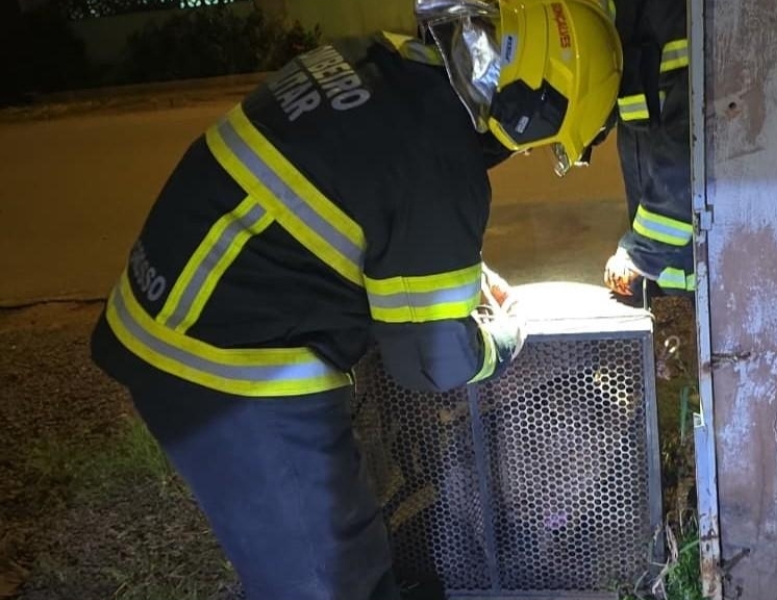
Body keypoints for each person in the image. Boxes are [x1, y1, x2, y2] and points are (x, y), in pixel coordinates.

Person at [88, 1, 622, 599]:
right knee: (330, 577)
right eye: (542, 144)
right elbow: (431, 362)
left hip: (169, 305)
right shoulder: (441, 156)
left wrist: (458, 274)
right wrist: (507, 334)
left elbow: (370, 200)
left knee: (311, 554)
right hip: (229, 365)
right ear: (537, 109)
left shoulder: (380, 60)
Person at [600, 0, 694, 307]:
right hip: (677, 283)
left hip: (710, 285)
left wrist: (643, 252)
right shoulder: (634, 13)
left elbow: (691, 148)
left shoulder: (681, 17)